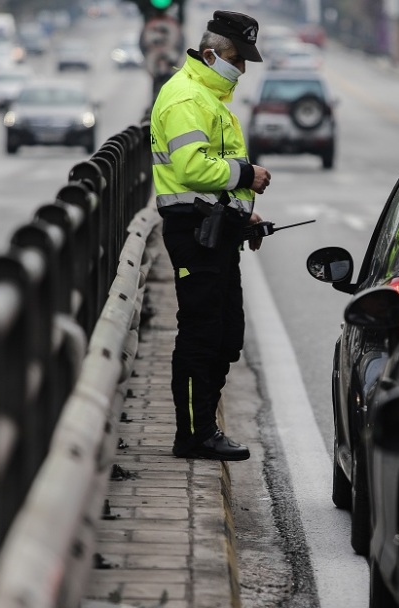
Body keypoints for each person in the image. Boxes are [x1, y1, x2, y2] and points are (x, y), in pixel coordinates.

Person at [150, 10, 272, 462]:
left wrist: (246, 221)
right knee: (201, 334)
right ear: (210, 54)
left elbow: (214, 184)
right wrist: (248, 173)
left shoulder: (209, 98)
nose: (241, 70)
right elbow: (192, 170)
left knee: (225, 336)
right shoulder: (186, 98)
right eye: (237, 60)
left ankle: (206, 428)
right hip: (193, 235)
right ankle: (194, 435)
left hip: (216, 234)